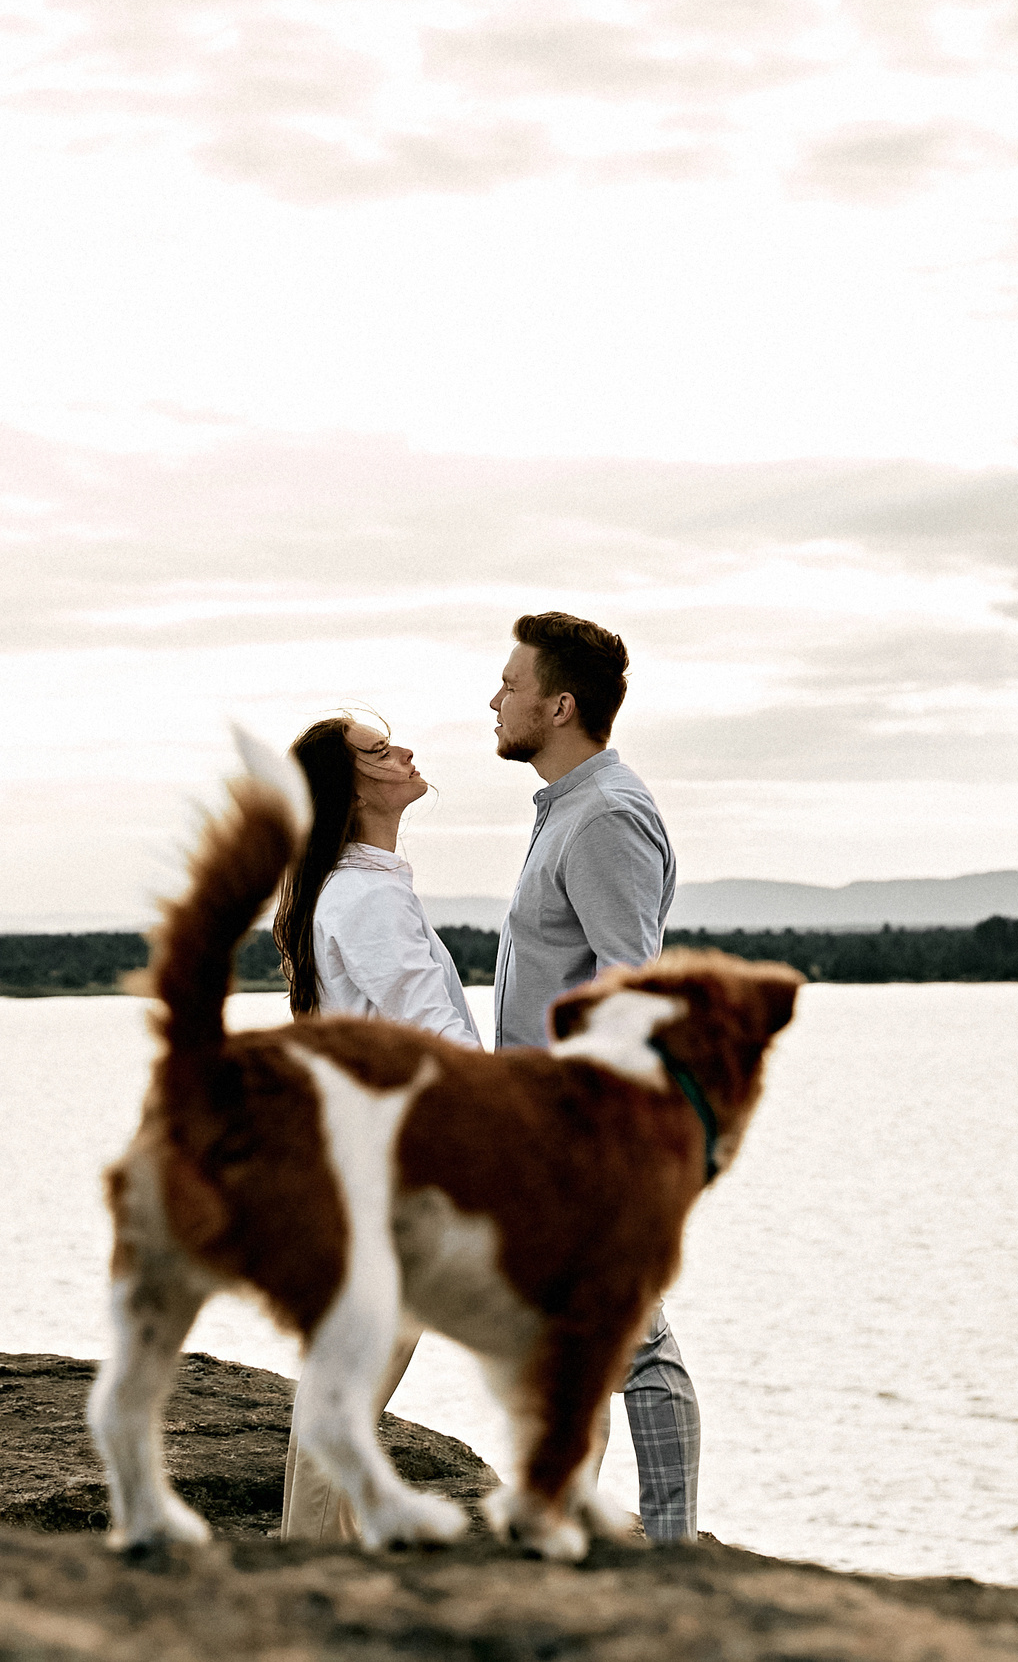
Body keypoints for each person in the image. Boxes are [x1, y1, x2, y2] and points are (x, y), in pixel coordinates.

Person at [487, 611, 700, 1544]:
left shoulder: (606, 815)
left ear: (560, 705)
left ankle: (669, 1545)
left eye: (511, 683)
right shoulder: (567, 808)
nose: (494, 698)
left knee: (638, 1348)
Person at [269, 712, 481, 1540]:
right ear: (349, 786)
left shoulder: (360, 886)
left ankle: (324, 1578)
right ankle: (308, 1593)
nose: (405, 752)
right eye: (379, 749)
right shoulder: (362, 897)